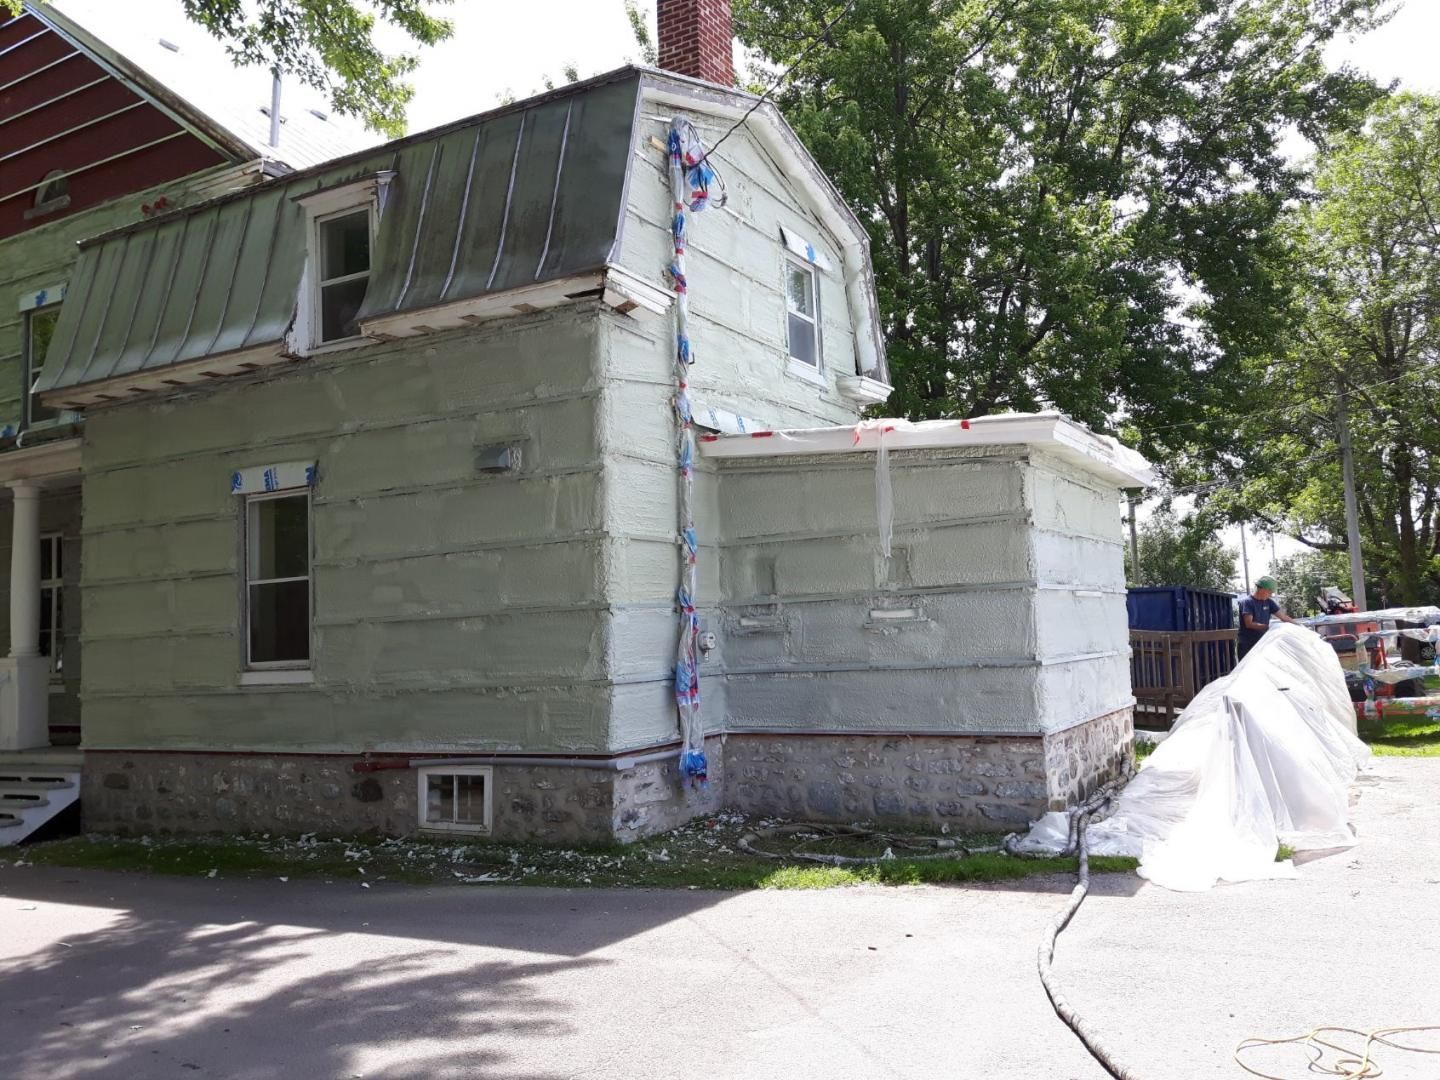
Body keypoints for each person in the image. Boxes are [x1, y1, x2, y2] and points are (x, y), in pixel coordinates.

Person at [1237, 576, 1295, 660]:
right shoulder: (1247, 602)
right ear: (1261, 589)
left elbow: (1283, 617)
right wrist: (1270, 627)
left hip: (1262, 643)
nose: (1270, 595)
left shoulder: (1269, 602)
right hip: (1247, 645)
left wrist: (1298, 625)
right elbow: (1249, 624)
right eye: (1270, 592)